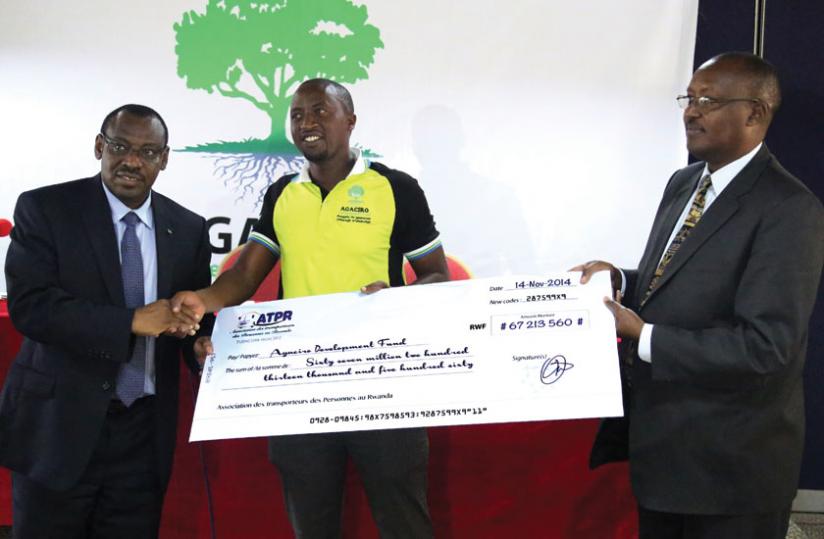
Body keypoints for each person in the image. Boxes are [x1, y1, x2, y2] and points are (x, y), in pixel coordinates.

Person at [173, 78, 448, 538]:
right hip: (300, 384)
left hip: (385, 382)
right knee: (311, 524)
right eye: (298, 115)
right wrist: (203, 301)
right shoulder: (283, 193)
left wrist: (398, 299)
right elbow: (244, 278)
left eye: (320, 111)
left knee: (405, 522)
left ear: (351, 121)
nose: (307, 123)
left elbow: (438, 276)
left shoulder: (395, 188)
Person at [574, 52, 824, 539]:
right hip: (664, 457)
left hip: (732, 471)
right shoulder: (684, 182)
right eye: (688, 99)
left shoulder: (790, 209)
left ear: (755, 113)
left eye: (707, 101)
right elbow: (675, 278)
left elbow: (766, 346)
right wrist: (622, 281)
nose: (691, 112)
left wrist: (643, 335)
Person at [0, 104, 210, 538]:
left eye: (149, 152)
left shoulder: (188, 228)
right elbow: (31, 306)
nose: (132, 161)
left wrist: (198, 346)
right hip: (59, 428)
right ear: (99, 146)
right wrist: (130, 321)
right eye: (120, 146)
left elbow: (189, 318)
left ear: (165, 159)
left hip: (143, 435)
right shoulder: (46, 208)